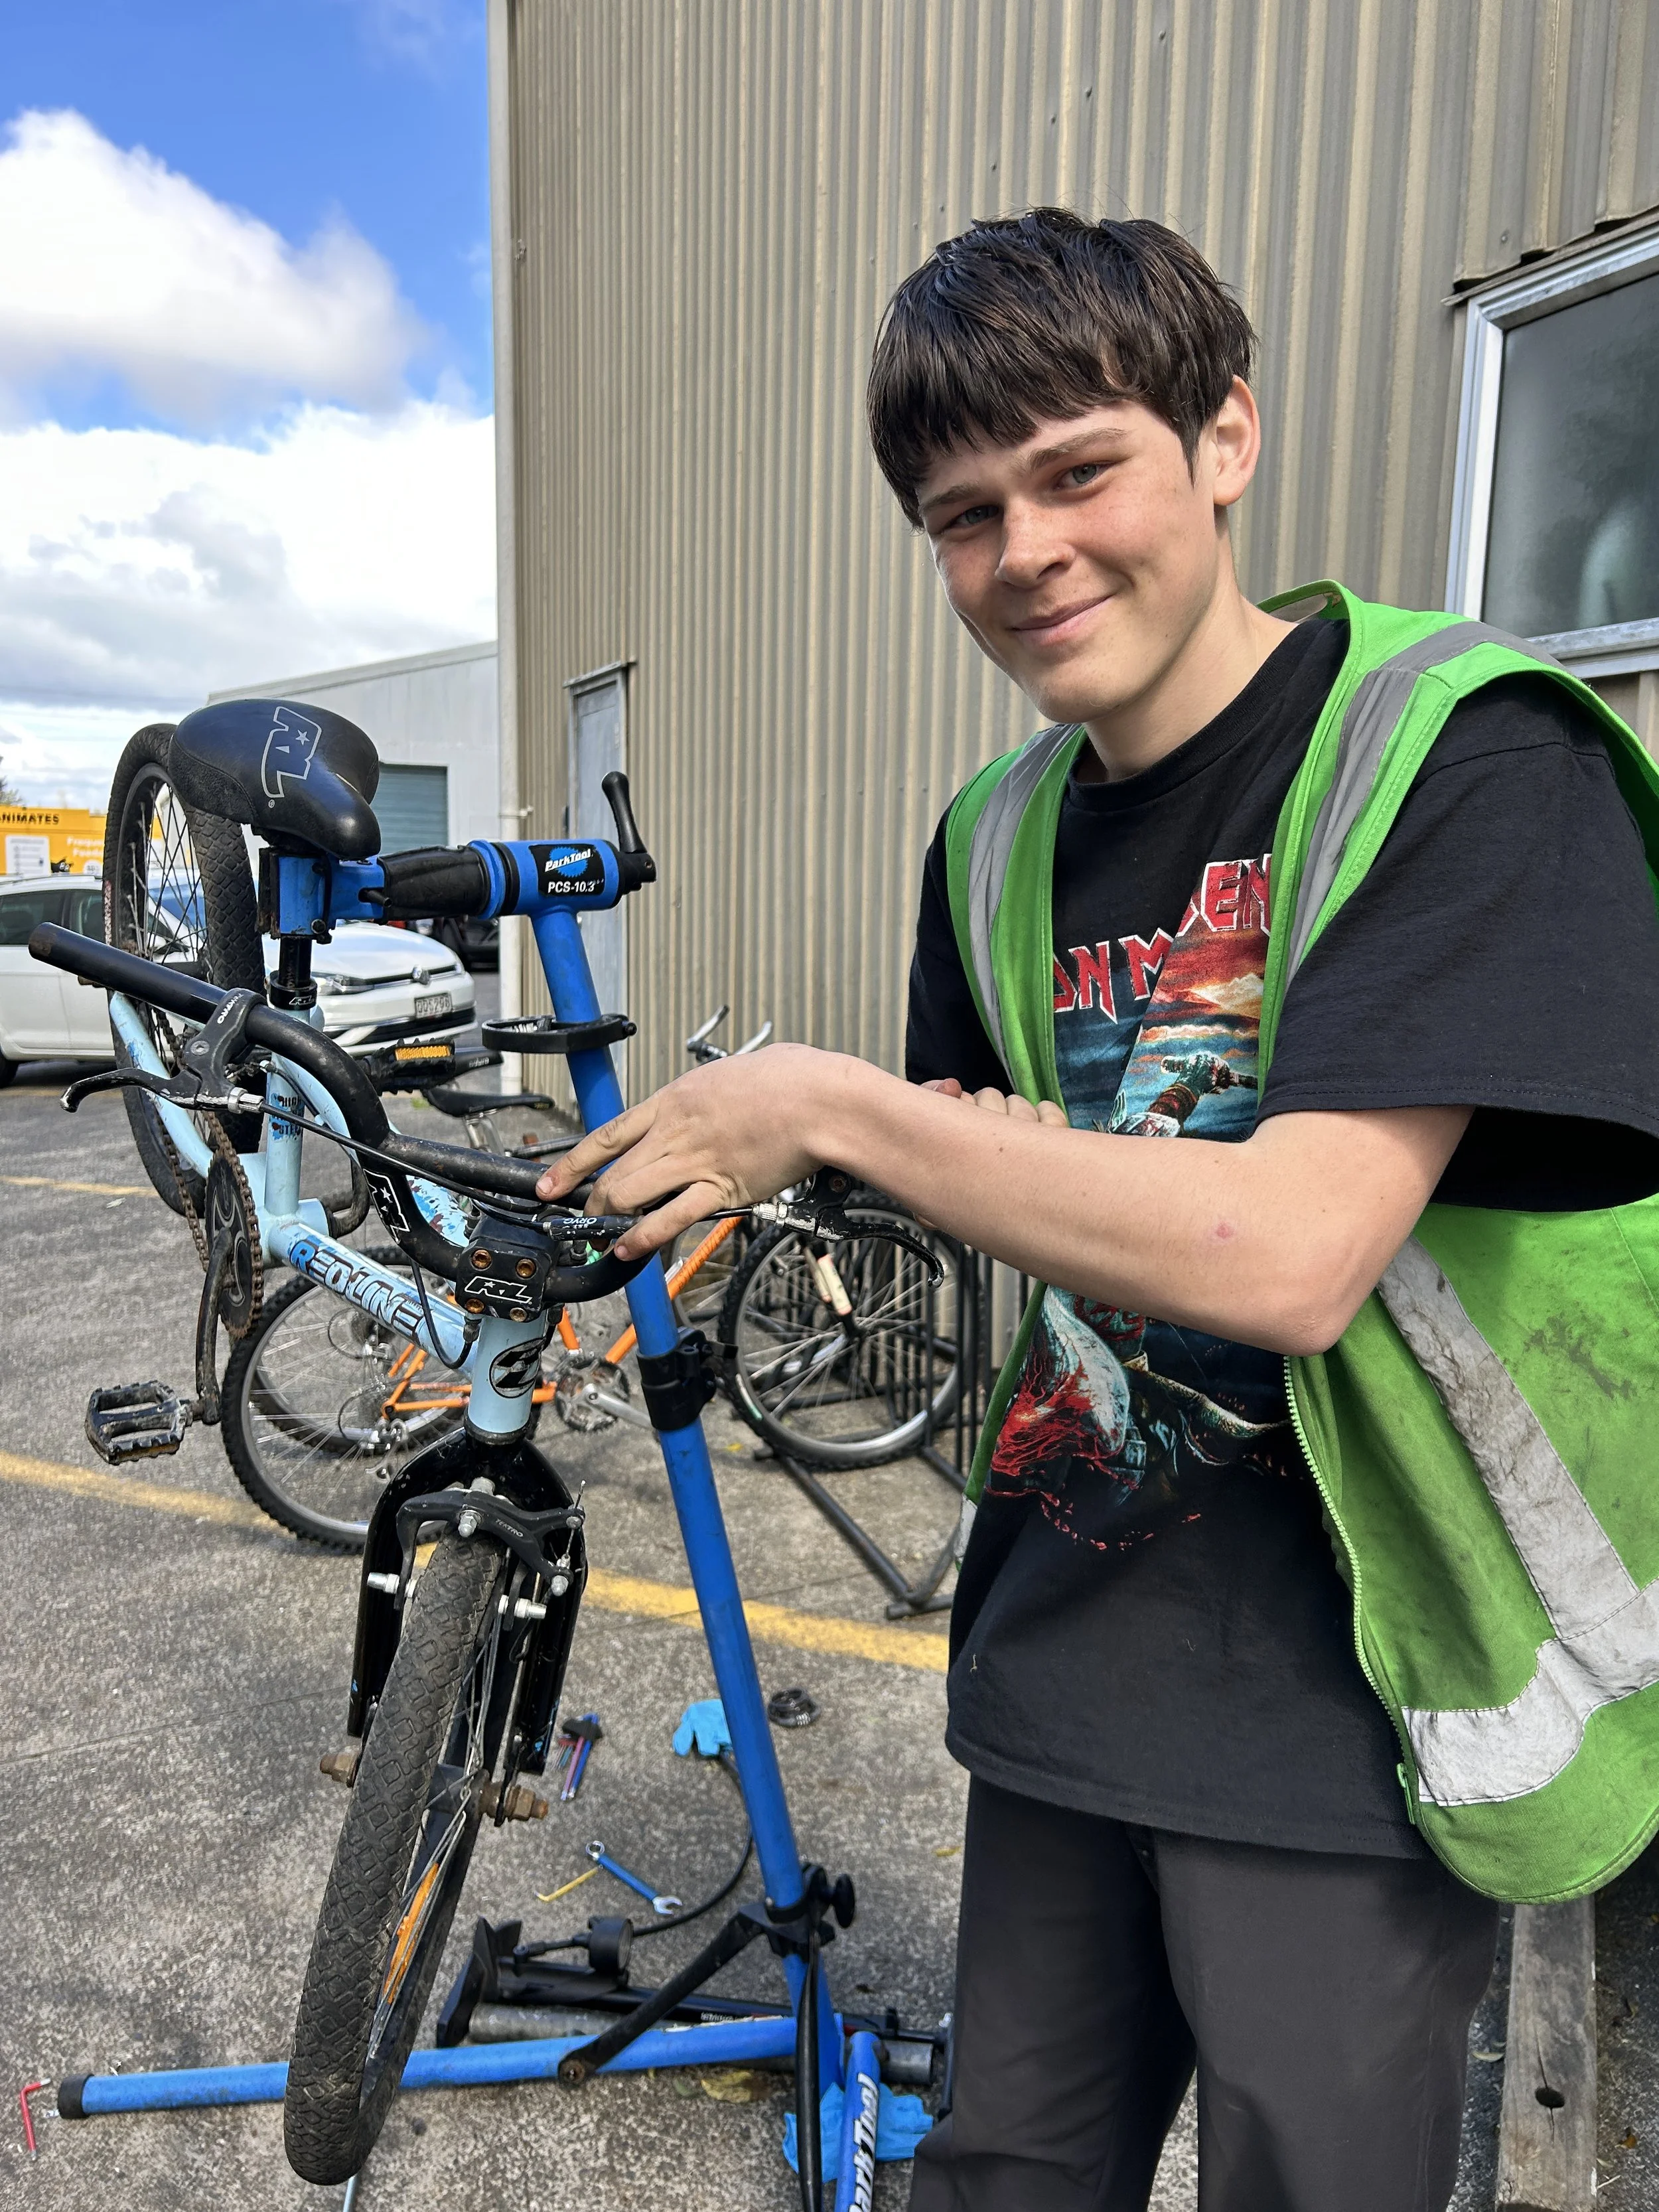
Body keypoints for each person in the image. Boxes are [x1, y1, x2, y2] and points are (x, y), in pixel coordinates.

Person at [540, 210, 1659, 2211]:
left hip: (1356, 1680)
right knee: (1006, 2169)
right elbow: (1002, 1179)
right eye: (963, 516)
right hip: (1070, 1632)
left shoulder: (1450, 753)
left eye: (1078, 470)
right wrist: (758, 1190)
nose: (1024, 554)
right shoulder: (992, 834)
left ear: (1222, 437)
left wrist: (826, 1104)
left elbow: (1295, 1253)